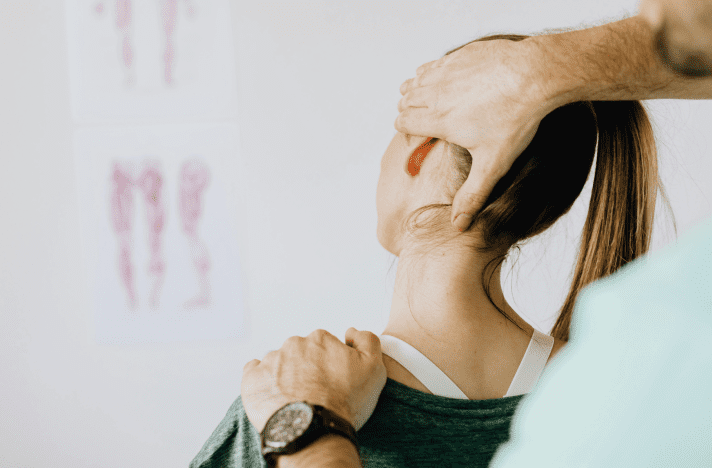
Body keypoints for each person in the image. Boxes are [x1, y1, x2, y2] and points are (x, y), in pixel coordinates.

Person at [191, 3, 712, 468]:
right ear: (540, 206)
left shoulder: (284, 410)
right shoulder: (634, 395)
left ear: (420, 151)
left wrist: (301, 425)